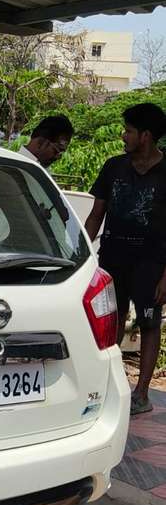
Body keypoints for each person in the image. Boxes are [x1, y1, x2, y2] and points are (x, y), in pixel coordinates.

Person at [85, 103, 166, 415]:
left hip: (151, 264)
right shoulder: (113, 167)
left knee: (148, 323)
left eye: (128, 131)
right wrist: (79, 253)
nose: (123, 136)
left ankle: (141, 395)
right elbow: (95, 217)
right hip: (112, 259)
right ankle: (106, 385)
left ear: (145, 136)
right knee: (110, 322)